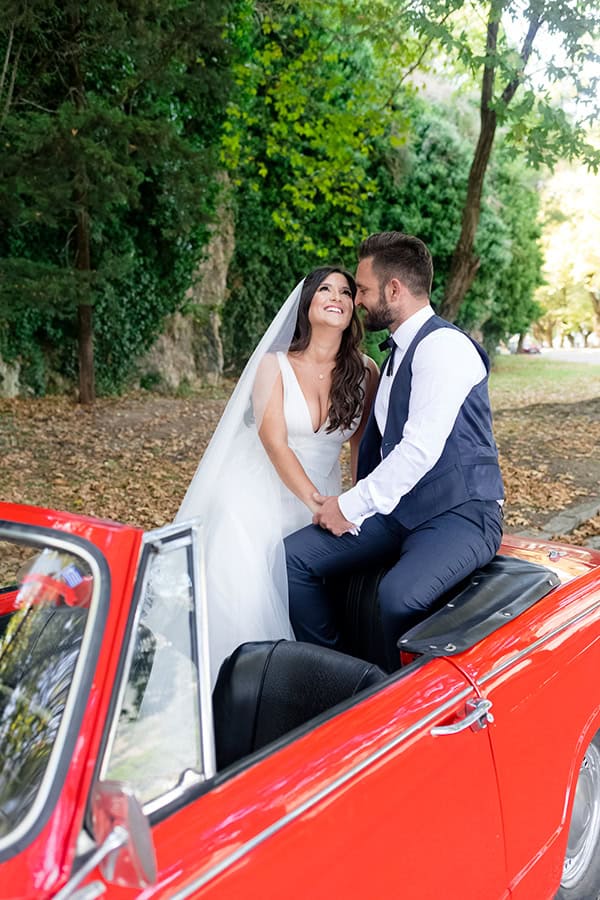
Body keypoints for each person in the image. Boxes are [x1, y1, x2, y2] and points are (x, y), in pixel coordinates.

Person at [285, 232, 505, 671]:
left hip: (461, 512)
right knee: (295, 558)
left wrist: (348, 506)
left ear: (393, 290)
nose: (357, 300)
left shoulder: (445, 348)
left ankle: (388, 697)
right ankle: (337, 673)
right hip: (400, 510)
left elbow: (418, 450)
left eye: (363, 289)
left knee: (398, 595)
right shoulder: (394, 355)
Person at [175, 266, 378, 685]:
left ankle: (299, 687)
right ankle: (236, 691)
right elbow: (274, 442)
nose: (336, 296)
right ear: (307, 304)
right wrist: (316, 503)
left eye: (345, 291)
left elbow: (359, 443)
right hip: (257, 491)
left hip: (325, 494)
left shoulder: (365, 370)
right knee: (251, 596)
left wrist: (358, 500)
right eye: (325, 289)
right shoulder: (274, 366)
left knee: (306, 590)